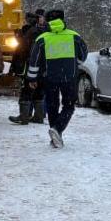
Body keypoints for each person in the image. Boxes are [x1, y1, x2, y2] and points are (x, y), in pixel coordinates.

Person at [22, 9, 87, 148]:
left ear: (47, 21)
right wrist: (73, 65)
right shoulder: (74, 36)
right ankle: (57, 130)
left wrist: (32, 79)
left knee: (52, 106)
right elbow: (83, 56)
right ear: (63, 19)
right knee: (69, 105)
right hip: (69, 77)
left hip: (49, 77)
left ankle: (55, 135)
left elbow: (34, 61)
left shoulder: (42, 39)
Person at [9, 11, 48, 125]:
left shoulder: (29, 32)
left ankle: (24, 116)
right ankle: (39, 116)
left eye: (25, 19)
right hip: (42, 66)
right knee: (39, 91)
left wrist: (17, 66)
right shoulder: (44, 31)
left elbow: (22, 50)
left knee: (26, 91)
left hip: (29, 65)